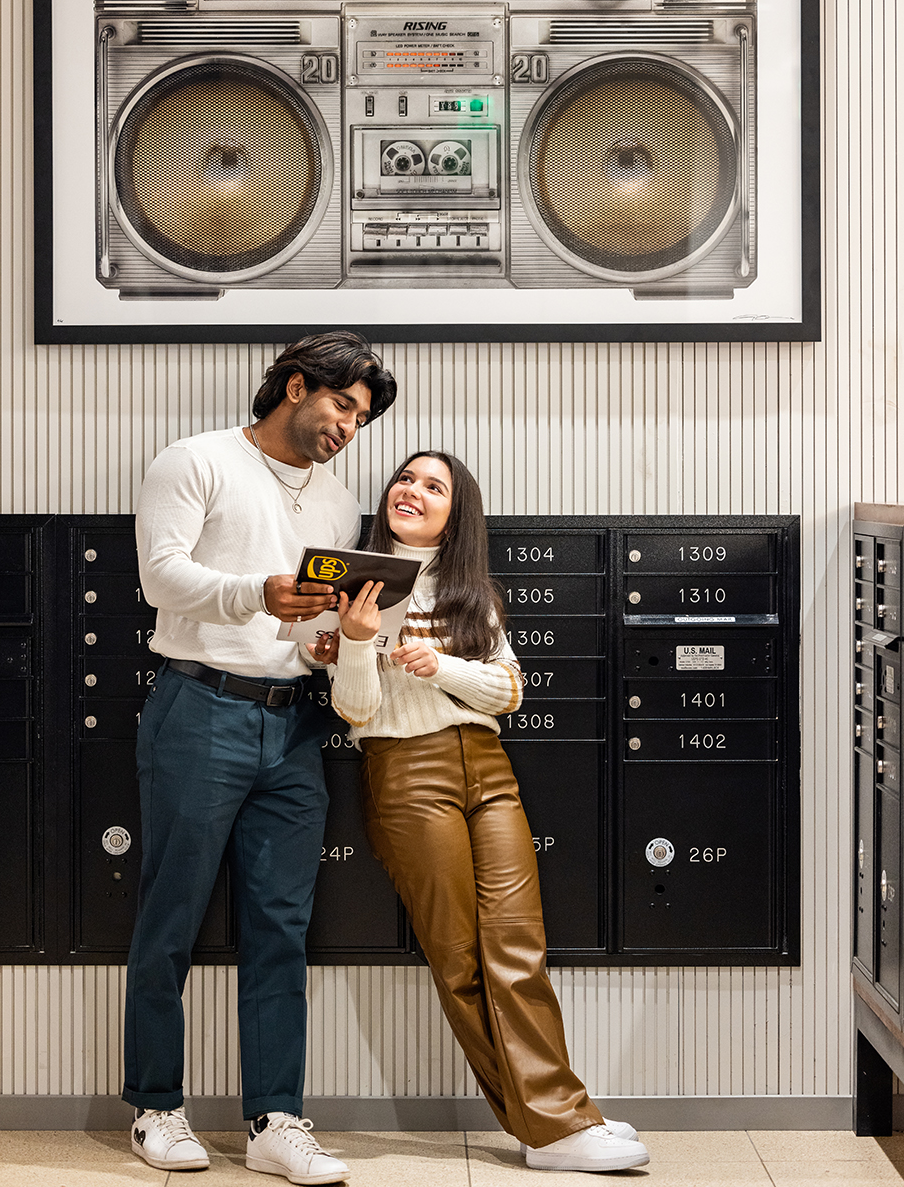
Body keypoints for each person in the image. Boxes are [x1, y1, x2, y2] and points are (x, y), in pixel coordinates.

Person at [319, 451, 649, 1174]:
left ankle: (556, 1119)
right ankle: (555, 1124)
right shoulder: (357, 586)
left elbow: (507, 691)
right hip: (406, 771)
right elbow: (356, 708)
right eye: (406, 479)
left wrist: (443, 666)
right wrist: (354, 637)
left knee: (517, 945)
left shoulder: (472, 593)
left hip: (490, 771)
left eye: (433, 486)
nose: (413, 490)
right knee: (461, 957)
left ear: (455, 511)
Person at [123, 332, 396, 1180]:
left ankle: (276, 1119)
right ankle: (156, 1109)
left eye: (361, 419)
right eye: (342, 406)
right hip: (200, 706)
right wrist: (258, 592)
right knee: (172, 911)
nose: (349, 428)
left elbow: (303, 622)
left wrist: (326, 643)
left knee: (282, 925)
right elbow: (159, 578)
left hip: (296, 725)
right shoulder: (196, 461)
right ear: (294, 385)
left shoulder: (340, 502)